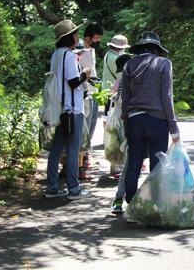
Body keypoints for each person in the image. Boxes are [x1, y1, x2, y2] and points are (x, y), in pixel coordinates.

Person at [121, 31, 180, 203]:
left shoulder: (129, 65)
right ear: (157, 48)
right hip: (157, 121)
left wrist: (126, 126)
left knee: (134, 163)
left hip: (134, 120)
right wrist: (173, 128)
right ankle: (155, 204)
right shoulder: (164, 64)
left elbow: (125, 98)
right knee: (157, 166)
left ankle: (131, 203)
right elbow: (166, 97)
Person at [44, 19, 92, 200]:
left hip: (60, 109)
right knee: (73, 149)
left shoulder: (56, 54)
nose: (77, 36)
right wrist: (85, 74)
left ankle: (52, 187)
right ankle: (74, 189)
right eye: (76, 34)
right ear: (69, 37)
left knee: (57, 148)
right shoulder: (70, 56)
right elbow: (73, 82)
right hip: (72, 109)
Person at [79, 22, 104, 178]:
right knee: (84, 131)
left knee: (90, 129)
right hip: (84, 95)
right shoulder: (80, 50)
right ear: (87, 37)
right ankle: (80, 168)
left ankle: (84, 161)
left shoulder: (91, 50)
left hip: (93, 93)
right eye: (96, 39)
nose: (98, 42)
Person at [110, 54, 132, 214]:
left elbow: (115, 96)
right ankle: (122, 198)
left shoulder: (121, 76)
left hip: (121, 121)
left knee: (129, 163)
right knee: (131, 164)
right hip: (130, 121)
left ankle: (120, 198)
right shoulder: (131, 76)